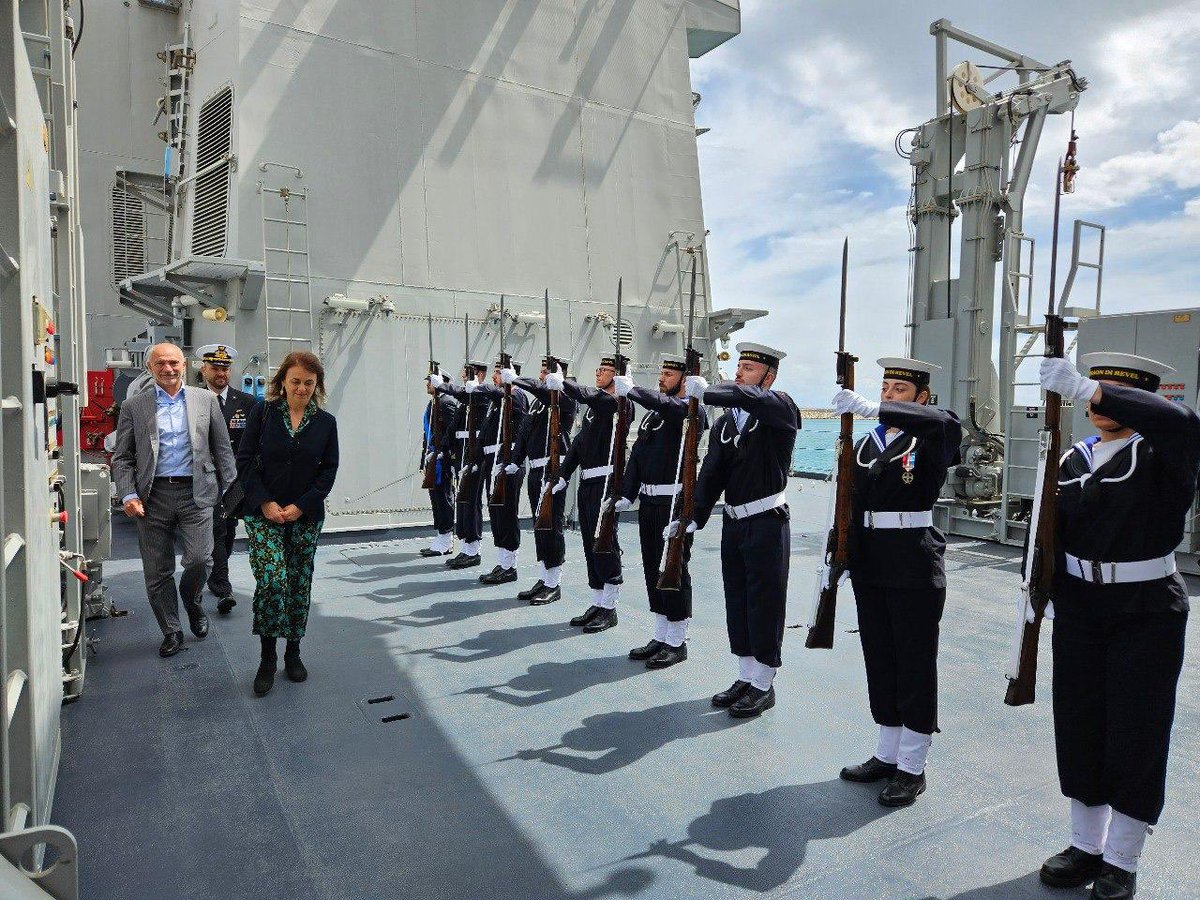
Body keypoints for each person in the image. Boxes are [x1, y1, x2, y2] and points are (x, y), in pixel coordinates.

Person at [1035, 352, 1199, 900]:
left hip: (1145, 609)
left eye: (1111, 394)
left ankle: (1122, 857)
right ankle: (1085, 844)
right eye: (1094, 391)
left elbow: (1180, 420)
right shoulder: (1072, 457)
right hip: (1081, 605)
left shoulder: (1164, 449)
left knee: (1136, 729)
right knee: (1080, 722)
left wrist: (1085, 386)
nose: (1098, 404)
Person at [830, 357, 962, 808]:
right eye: (885, 387)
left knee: (914, 661)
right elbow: (849, 499)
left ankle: (912, 765)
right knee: (880, 657)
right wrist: (840, 551)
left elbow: (945, 423)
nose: (889, 394)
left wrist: (871, 408)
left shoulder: (933, 433)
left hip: (913, 559)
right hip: (870, 560)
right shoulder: (865, 443)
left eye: (900, 389)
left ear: (921, 397)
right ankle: (887, 753)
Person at [680, 343, 799, 718]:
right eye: (740, 367)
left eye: (748, 368)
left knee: (765, 602)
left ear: (769, 376)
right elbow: (713, 471)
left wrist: (709, 392)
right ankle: (746, 676)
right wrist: (694, 517)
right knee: (739, 600)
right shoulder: (726, 422)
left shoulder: (781, 408)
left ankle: (764, 683)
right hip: (734, 522)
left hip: (767, 521)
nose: (740, 373)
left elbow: (754, 400)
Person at [111, 342, 237, 658]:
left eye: (173, 363)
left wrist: (230, 493)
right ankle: (171, 630)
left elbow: (222, 449)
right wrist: (127, 493)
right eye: (160, 364)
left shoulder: (206, 400)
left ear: (184, 365)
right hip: (151, 497)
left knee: (200, 558)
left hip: (197, 492)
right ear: (150, 369)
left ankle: (192, 600)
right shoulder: (134, 407)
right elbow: (123, 457)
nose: (168, 369)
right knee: (157, 570)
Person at [238, 351, 339, 697]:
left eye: (309, 383)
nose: (301, 388)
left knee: (298, 583)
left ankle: (292, 652)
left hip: (304, 517)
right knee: (272, 581)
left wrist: (301, 505)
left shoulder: (325, 423)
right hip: (263, 513)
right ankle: (267, 658)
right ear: (283, 381)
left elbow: (328, 471)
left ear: (317, 385)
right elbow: (245, 460)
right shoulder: (262, 413)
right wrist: (265, 501)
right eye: (295, 381)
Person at [608, 354, 706, 669]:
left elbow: (671, 407)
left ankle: (677, 641)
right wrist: (627, 493)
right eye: (661, 373)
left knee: (673, 569)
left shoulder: (691, 410)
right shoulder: (654, 416)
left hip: (674, 502)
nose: (662, 378)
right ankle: (661, 634)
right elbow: (637, 453)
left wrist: (633, 390)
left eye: (668, 374)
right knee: (653, 568)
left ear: (684, 378)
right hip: (649, 503)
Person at [554, 355, 625, 633]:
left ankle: (610, 607)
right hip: (587, 483)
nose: (599, 373)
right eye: (598, 368)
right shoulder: (594, 409)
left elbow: (589, 395)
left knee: (605, 542)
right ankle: (597, 602)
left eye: (605, 370)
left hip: (606, 482)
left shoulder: (615, 403)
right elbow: (579, 445)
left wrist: (565, 384)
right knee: (589, 543)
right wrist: (563, 474)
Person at [196, 343, 260, 615]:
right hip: (202, 479)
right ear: (203, 369)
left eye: (224, 368)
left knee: (228, 533)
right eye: (215, 367)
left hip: (234, 482)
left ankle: (214, 576)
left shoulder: (247, 404)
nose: (220, 373)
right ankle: (223, 588)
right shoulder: (192, 400)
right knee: (216, 531)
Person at [510, 358, 579, 605]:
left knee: (552, 525)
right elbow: (525, 433)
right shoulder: (539, 403)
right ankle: (544, 577)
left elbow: (557, 396)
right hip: (536, 470)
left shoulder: (565, 397)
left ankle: (554, 583)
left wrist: (518, 379)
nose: (541, 375)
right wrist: (515, 460)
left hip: (553, 469)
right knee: (539, 525)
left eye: (546, 372)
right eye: (540, 371)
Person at [433, 361, 490, 569]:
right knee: (463, 502)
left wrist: (443, 386)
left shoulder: (482, 395)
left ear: (480, 375)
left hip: (475, 457)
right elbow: (454, 427)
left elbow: (468, 396)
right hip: (463, 456)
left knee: (472, 502)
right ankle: (466, 546)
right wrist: (443, 451)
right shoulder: (466, 399)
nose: (465, 378)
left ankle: (474, 550)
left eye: (469, 374)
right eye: (465, 375)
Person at [478, 358, 530, 584]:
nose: (493, 376)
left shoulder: (516, 395)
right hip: (495, 461)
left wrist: (483, 385)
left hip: (509, 462)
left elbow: (505, 398)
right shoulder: (499, 398)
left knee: (507, 513)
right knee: (497, 513)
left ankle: (510, 566)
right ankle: (503, 562)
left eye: (498, 372)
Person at [421, 370, 460, 557]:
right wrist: (424, 460)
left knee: (444, 497)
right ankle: (440, 535)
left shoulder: (447, 402)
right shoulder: (433, 404)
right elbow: (427, 434)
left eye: (430, 381)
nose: (427, 384)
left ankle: (447, 539)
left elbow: (453, 431)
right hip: (432, 459)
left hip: (442, 460)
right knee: (435, 498)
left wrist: (445, 453)